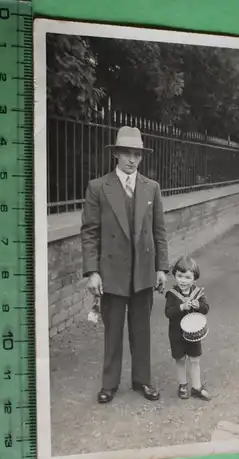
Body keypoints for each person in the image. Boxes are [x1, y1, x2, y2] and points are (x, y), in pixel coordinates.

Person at [81, 126, 169, 404]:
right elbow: (90, 231)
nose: (132, 160)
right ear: (116, 154)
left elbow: (159, 232)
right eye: (127, 154)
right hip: (113, 273)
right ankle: (109, 383)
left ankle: (142, 380)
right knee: (113, 331)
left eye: (137, 155)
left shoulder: (151, 187)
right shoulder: (99, 187)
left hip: (143, 272)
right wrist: (92, 271)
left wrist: (161, 269)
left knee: (141, 330)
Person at [164, 256, 211, 401]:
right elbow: (168, 312)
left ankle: (196, 387)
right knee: (180, 359)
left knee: (195, 359)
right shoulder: (172, 295)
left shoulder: (198, 293)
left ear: (194, 279)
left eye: (187, 277)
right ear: (175, 276)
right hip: (176, 333)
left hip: (193, 334)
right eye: (179, 276)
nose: (183, 280)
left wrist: (198, 305)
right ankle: (183, 385)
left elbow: (206, 308)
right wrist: (181, 307)